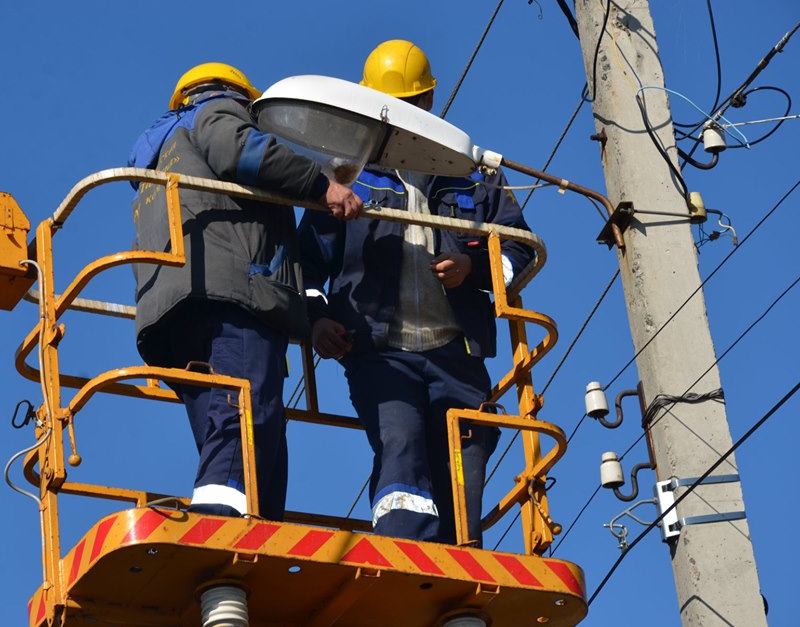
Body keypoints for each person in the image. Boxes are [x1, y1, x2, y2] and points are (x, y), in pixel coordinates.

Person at [297, 40, 535, 545]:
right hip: (380, 351)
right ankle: (405, 555)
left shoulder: (472, 174)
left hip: (458, 352)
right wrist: (315, 320)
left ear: (426, 103)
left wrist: (474, 268)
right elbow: (306, 265)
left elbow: (523, 249)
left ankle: (458, 560)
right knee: (401, 441)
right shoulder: (347, 177)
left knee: (467, 451)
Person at [128, 62, 363, 521]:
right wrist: (322, 185)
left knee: (240, 420)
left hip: (172, 312)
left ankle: (258, 519)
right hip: (232, 295)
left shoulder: (158, 158)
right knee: (245, 407)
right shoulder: (216, 113)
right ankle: (223, 517)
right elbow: (241, 151)